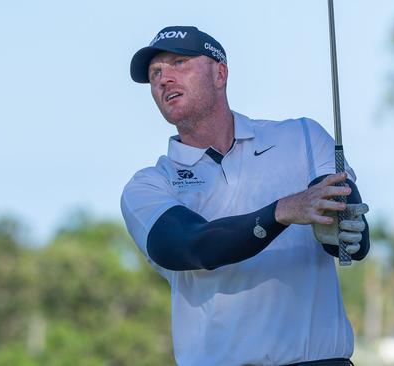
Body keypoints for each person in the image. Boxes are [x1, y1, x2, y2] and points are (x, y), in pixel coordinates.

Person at [121, 26, 370, 366]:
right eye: (155, 74)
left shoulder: (303, 138)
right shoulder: (148, 186)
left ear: (219, 73)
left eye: (179, 63)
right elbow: (192, 246)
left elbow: (349, 226)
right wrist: (283, 211)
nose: (164, 79)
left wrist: (345, 226)